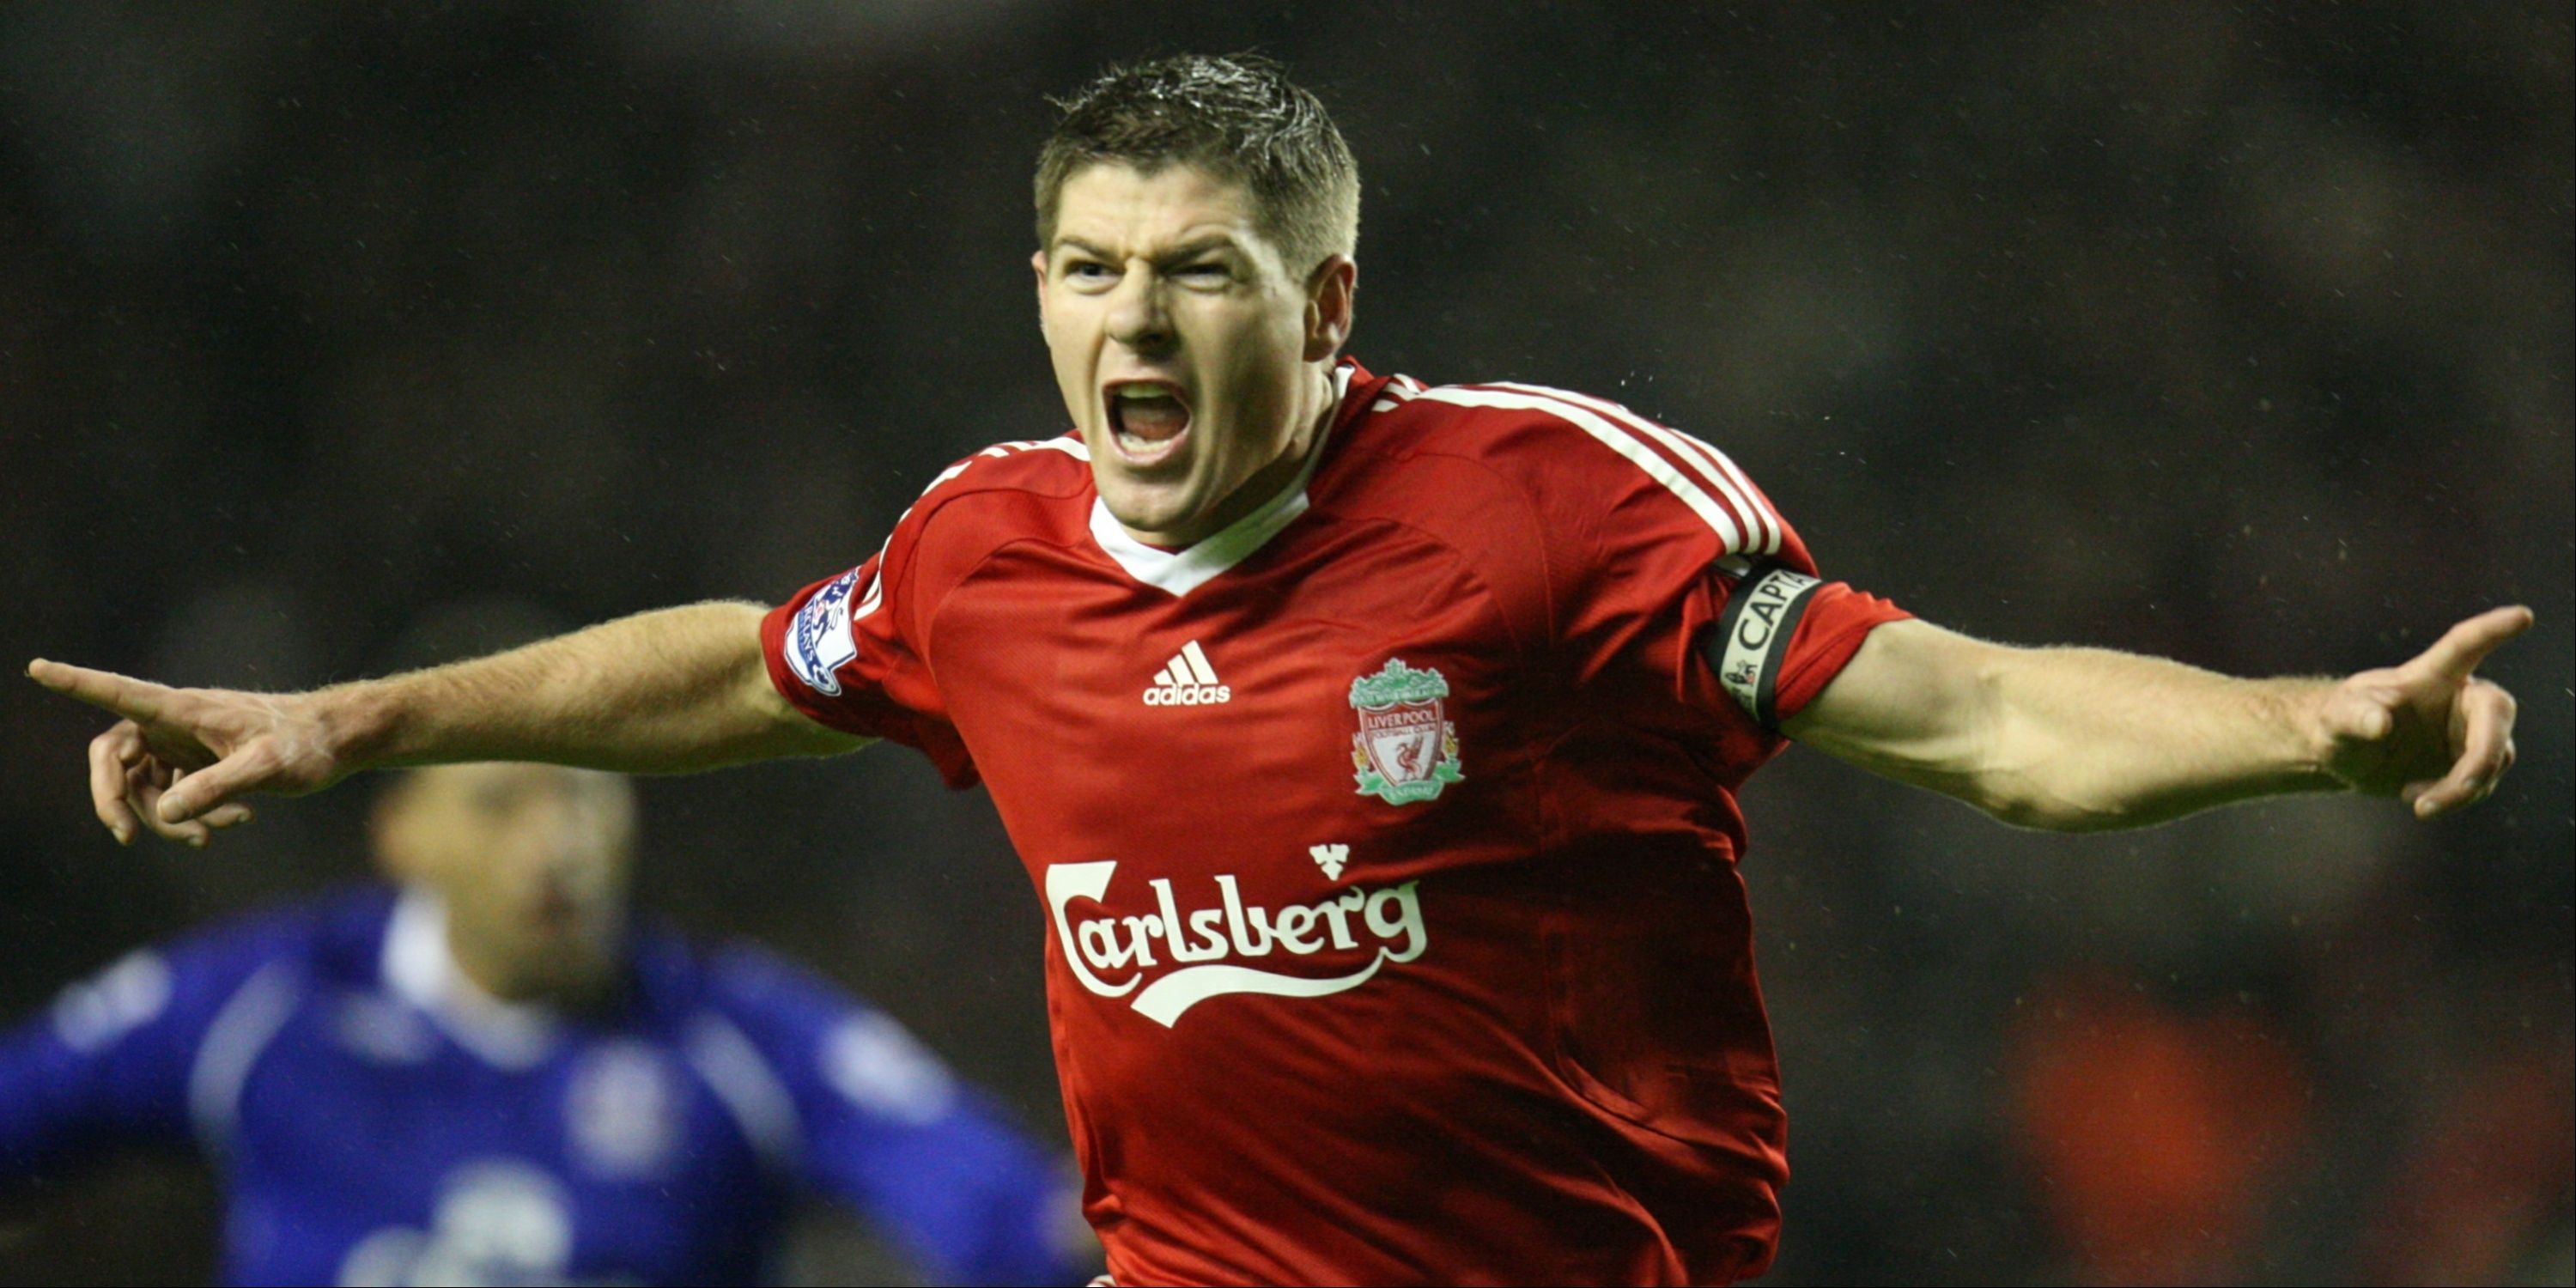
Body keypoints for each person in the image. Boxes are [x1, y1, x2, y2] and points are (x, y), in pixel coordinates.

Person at [26, 53, 2529, 1286]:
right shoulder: (977, 553)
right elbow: (747, 665)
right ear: (1036, 291)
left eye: (1198, 266)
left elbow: (1979, 718)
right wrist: (364, 714)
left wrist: (2301, 730)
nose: (1135, 314)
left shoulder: (1554, 508)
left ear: (1325, 308)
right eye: (1094, 265)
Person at [0, 761, 1090, 1285]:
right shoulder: (271, 1003)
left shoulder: (737, 1035)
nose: (552, 843)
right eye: (500, 803)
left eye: (582, 798)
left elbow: (1004, 1213)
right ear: (402, 833)